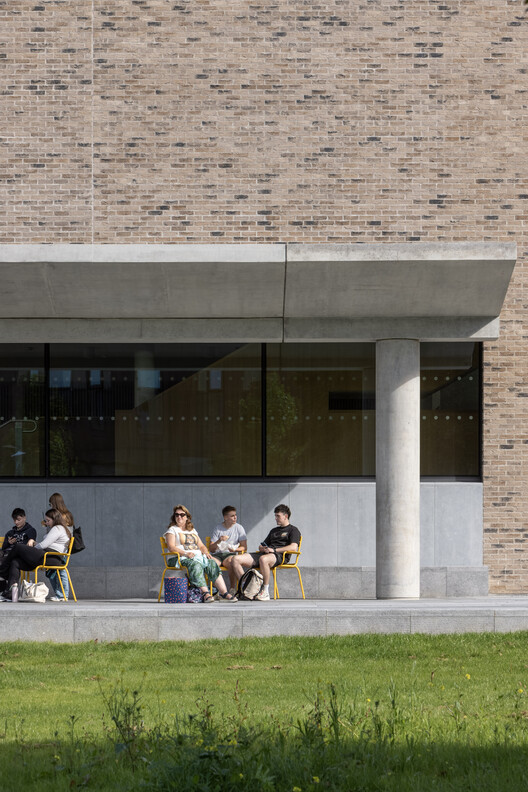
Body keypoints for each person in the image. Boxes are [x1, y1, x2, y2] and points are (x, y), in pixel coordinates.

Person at [164, 505, 237, 602]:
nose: (179, 517)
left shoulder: (192, 530)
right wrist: (186, 554)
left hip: (195, 557)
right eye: (176, 515)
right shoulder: (172, 530)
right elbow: (171, 547)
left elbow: (201, 546)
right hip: (178, 558)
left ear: (187, 517)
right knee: (195, 565)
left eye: (182, 515)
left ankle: (224, 593)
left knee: (211, 563)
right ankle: (206, 593)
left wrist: (206, 553)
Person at [231, 504, 301, 601]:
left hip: (279, 555)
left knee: (263, 559)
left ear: (286, 516)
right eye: (275, 516)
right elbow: (261, 545)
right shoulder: (273, 530)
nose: (276, 518)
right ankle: (246, 589)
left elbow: (293, 548)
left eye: (278, 516)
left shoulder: (293, 530)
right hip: (265, 554)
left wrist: (274, 550)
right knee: (235, 559)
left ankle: (265, 591)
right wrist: (263, 548)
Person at [0, 508, 71, 602]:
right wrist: (34, 545)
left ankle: (2, 572)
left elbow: (44, 545)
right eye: (46, 520)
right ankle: (11, 595)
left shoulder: (57, 528)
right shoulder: (56, 529)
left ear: (55, 519)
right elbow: (43, 544)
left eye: (48, 520)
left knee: (18, 547)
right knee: (15, 562)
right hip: (46, 555)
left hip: (50, 557)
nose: (46, 522)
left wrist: (31, 549)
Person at [209, 505, 247, 596]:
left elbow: (244, 547)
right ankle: (215, 590)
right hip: (217, 555)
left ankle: (232, 589)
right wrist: (219, 540)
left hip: (230, 554)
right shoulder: (218, 528)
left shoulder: (239, 528)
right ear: (225, 517)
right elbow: (211, 549)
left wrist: (234, 549)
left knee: (231, 562)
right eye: (232, 516)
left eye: (235, 515)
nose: (235, 517)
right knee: (211, 563)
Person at [0, 509, 38, 596]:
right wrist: (9, 543)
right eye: (14, 520)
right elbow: (4, 548)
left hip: (21, 555)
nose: (16, 522)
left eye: (18, 519)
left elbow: (31, 543)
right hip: (7, 555)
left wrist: (31, 540)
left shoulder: (30, 530)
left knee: (14, 556)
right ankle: (4, 589)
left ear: (24, 518)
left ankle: (2, 575)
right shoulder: (10, 532)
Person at [46, 492, 74, 601]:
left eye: (50, 504)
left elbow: (58, 532)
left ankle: (62, 595)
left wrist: (49, 525)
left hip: (60, 548)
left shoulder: (61, 516)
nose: (50, 506)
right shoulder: (68, 514)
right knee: (54, 571)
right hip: (63, 547)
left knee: (60, 570)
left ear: (54, 503)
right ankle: (60, 594)